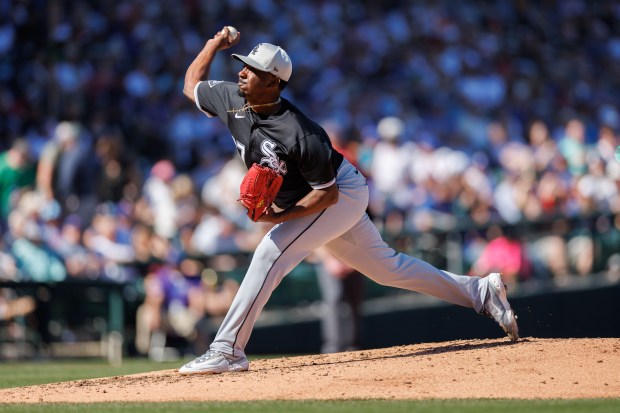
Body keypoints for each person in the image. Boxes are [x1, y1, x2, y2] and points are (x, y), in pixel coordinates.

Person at [178, 27, 519, 375]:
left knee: (271, 251)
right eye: (243, 65)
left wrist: (278, 219)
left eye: (252, 69)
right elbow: (191, 85)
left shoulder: (300, 131)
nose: (242, 72)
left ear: (274, 82)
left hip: (339, 193)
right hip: (322, 198)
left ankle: (228, 349)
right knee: (388, 269)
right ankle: (482, 292)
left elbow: (328, 194)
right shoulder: (232, 98)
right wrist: (213, 44)